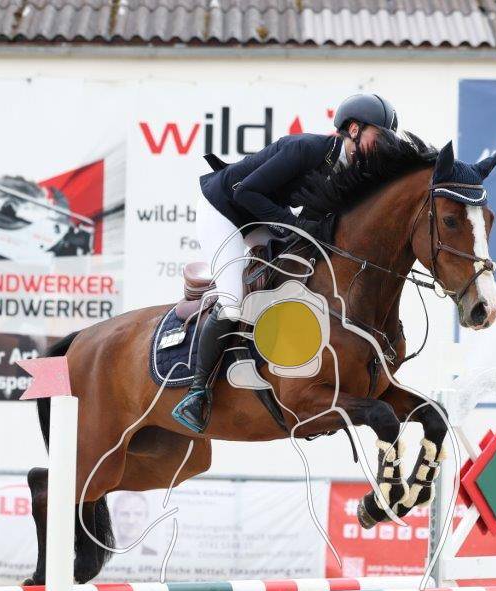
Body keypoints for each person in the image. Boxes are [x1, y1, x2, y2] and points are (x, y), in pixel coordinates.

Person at [171, 93, 399, 433]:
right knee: (233, 301)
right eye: (378, 138)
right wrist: (291, 226)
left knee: (291, 276)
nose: (381, 148)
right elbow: (244, 191)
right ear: (353, 129)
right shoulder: (305, 148)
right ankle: (196, 392)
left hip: (258, 215)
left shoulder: (349, 169)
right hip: (223, 209)